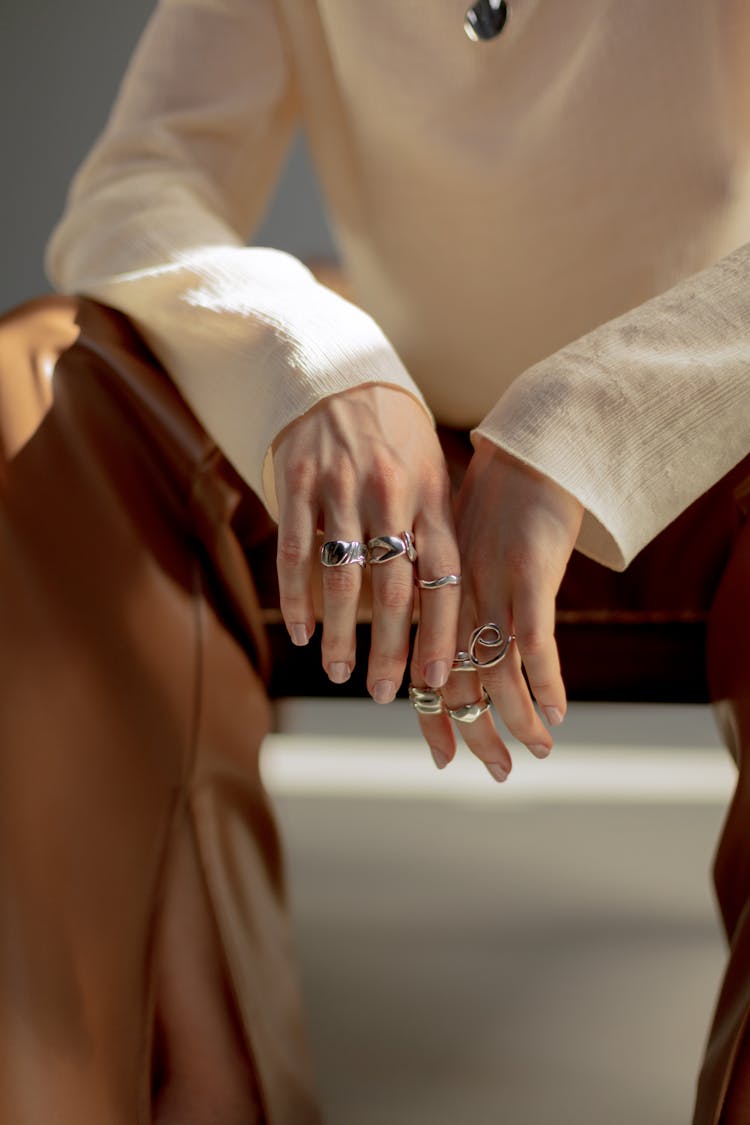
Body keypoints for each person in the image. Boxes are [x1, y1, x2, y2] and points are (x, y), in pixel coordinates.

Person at [1, 0, 748, 1121]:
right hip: (394, 462)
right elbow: (139, 178)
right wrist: (318, 368)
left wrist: (581, 428)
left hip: (708, 436)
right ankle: (166, 1081)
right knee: (29, 387)